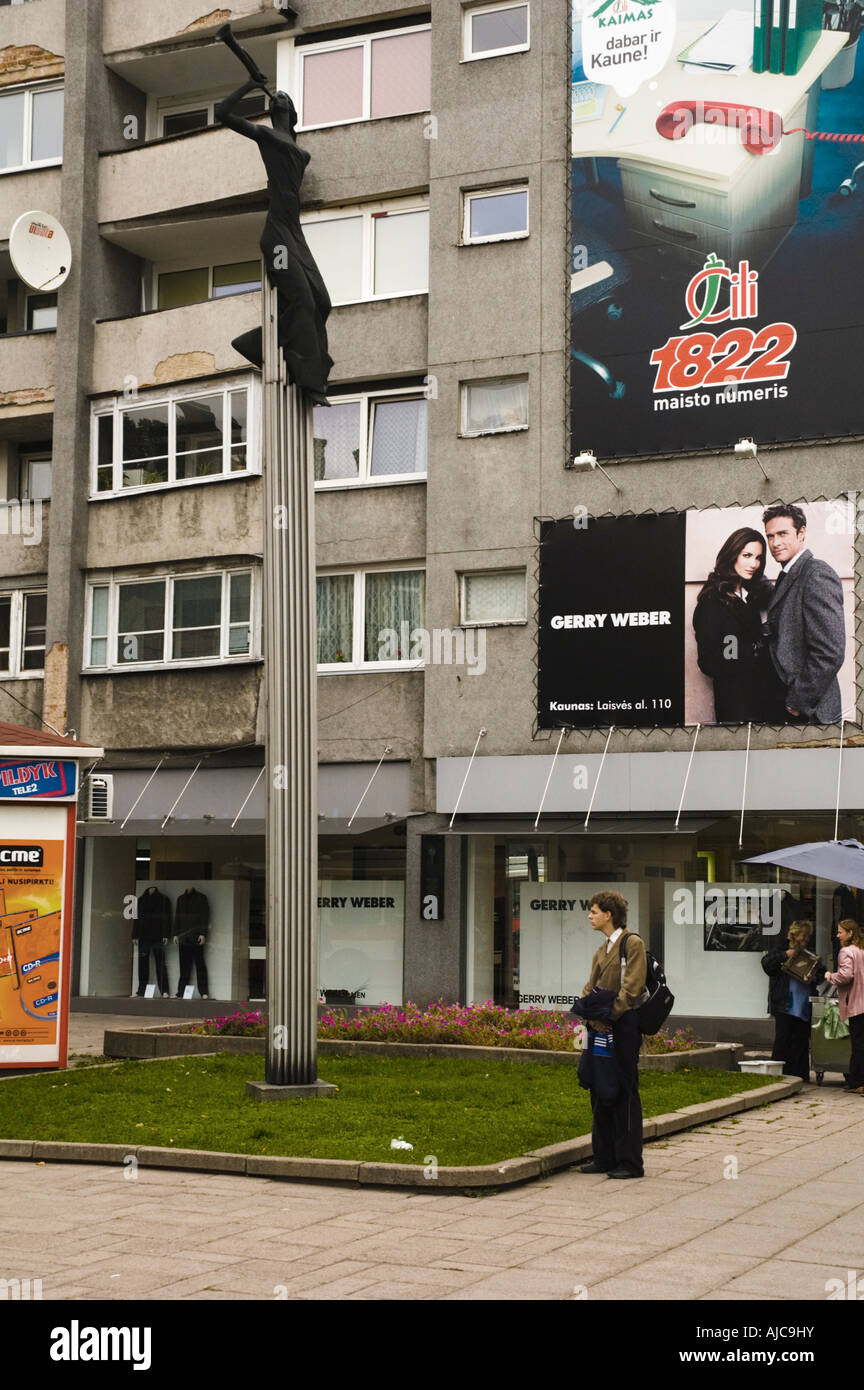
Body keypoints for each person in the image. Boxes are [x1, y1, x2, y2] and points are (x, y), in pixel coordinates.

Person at [215, 78, 333, 403]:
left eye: (285, 97)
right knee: (303, 302)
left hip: (295, 235)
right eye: (275, 96)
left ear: (292, 114)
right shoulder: (265, 137)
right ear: (272, 109)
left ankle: (258, 343)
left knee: (322, 303)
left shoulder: (301, 154)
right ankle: (311, 385)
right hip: (277, 237)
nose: (279, 96)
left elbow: (293, 147)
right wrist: (248, 85)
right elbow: (223, 114)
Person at [575, 891, 647, 1179]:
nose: (590, 916)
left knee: (624, 1092)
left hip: (623, 1028)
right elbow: (588, 987)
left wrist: (607, 1018)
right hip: (599, 1028)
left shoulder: (632, 944)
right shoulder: (602, 949)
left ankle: (630, 1161)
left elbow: (631, 989)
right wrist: (592, 1019)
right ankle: (603, 1156)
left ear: (608, 914)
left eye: (594, 911)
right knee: (599, 1088)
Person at [762, 503, 846, 723]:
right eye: (770, 536)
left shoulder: (816, 574)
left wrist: (797, 701)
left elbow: (830, 652)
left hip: (810, 711)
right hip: (792, 705)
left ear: (801, 534)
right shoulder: (790, 574)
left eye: (782, 534)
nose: (775, 543)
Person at [692, 527, 781, 722]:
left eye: (758, 557)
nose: (754, 564)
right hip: (738, 705)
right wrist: (754, 646)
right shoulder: (712, 601)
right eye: (747, 555)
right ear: (732, 554)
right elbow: (709, 660)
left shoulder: (749, 593)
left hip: (763, 699)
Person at [761, 920, 824, 1081]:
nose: (805, 942)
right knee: (783, 1038)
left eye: (807, 939)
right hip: (785, 1004)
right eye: (802, 938)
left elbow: (821, 973)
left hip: (802, 1005)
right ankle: (778, 1074)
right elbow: (767, 964)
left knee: (801, 1040)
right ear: (793, 936)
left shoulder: (807, 953)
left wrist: (814, 976)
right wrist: (785, 955)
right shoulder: (780, 949)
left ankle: (800, 1075)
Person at [824, 918, 864, 1093]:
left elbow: (846, 976)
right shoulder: (862, 950)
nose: (837, 935)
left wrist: (830, 976)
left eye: (840, 932)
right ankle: (856, 1080)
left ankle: (858, 1081)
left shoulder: (846, 951)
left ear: (850, 933)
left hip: (857, 1004)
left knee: (858, 1044)